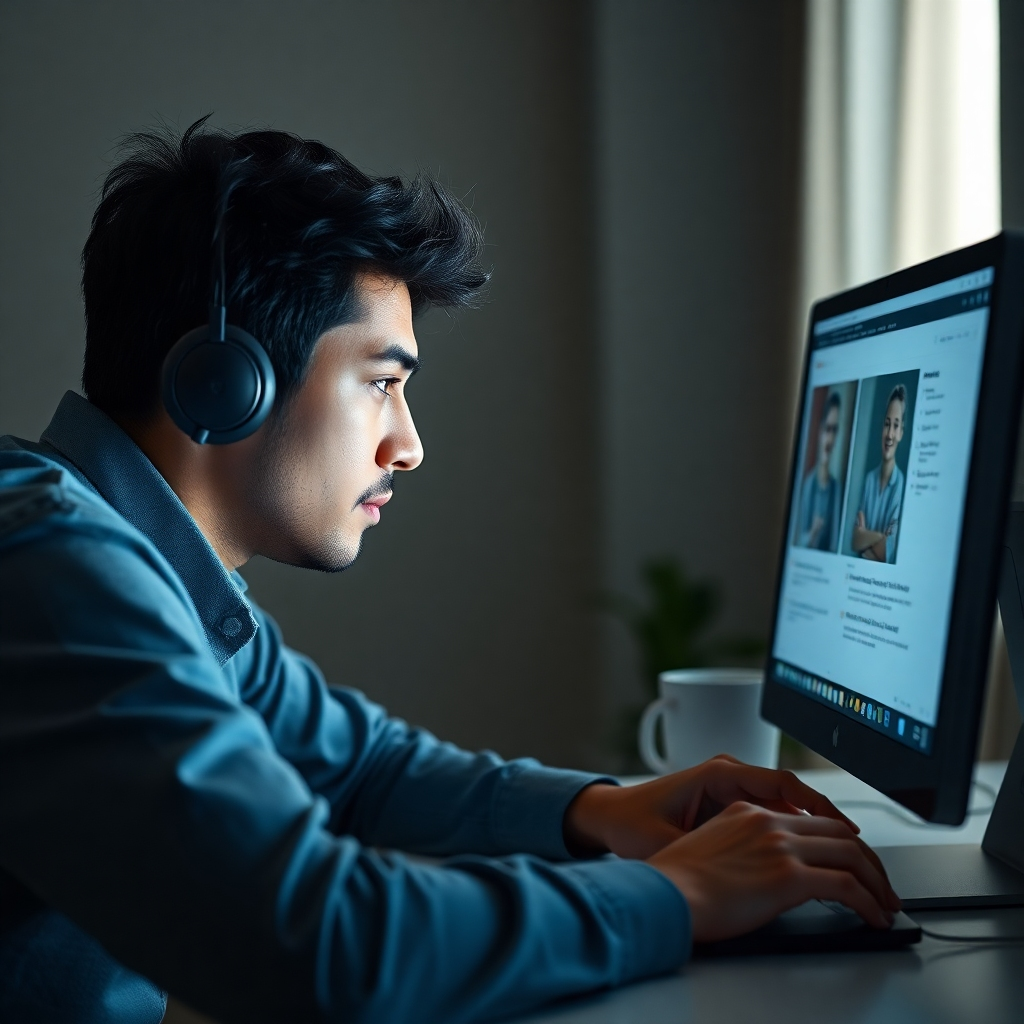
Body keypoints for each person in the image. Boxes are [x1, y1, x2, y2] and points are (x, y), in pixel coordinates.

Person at [0, 122, 899, 1024]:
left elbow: (360, 767)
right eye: (382, 382)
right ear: (226, 380)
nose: (410, 445)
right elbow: (322, 944)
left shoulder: (149, 572)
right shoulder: (53, 574)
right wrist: (678, 897)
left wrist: (600, 810)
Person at [852, 384, 908, 563]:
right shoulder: (868, 480)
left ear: (901, 433)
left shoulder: (902, 486)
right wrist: (880, 538)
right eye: (887, 424)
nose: (889, 434)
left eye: (895, 426)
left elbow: (888, 552)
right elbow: (854, 540)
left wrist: (866, 537)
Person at [797, 391, 842, 551]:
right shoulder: (808, 484)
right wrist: (813, 533)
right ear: (820, 431)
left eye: (834, 430)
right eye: (827, 429)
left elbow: (835, 543)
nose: (830, 439)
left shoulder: (836, 489)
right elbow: (798, 541)